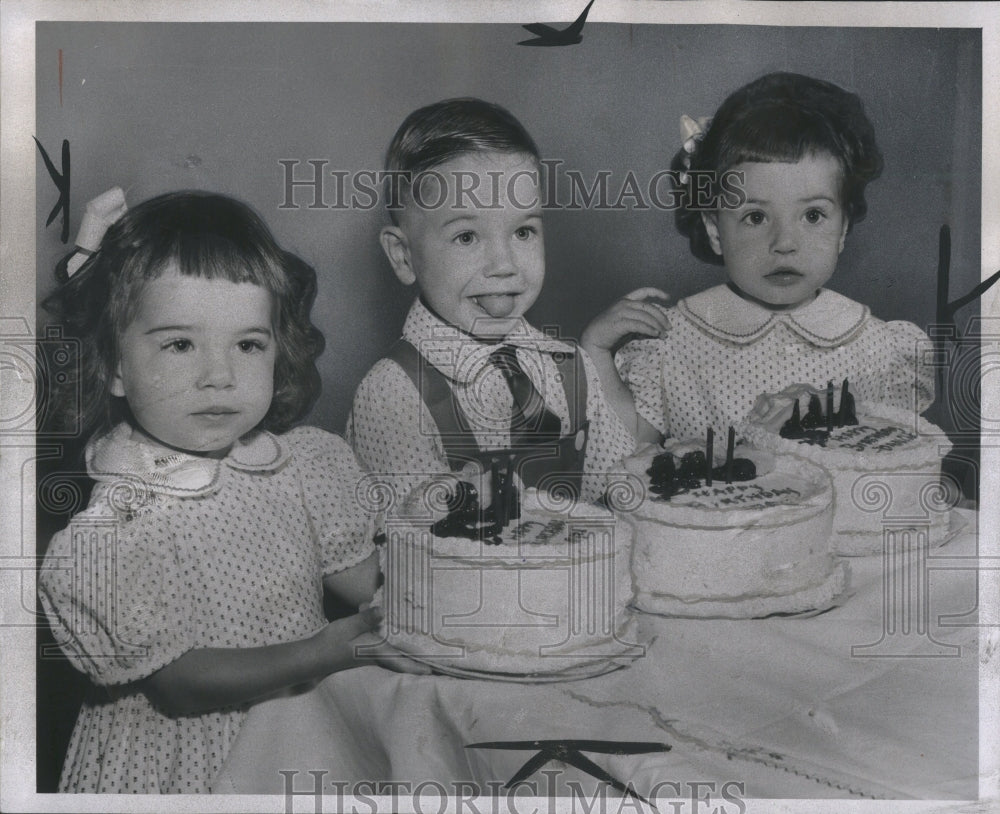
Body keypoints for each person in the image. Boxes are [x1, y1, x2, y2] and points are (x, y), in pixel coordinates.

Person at [37, 189, 422, 794]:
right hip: (186, 764)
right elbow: (181, 681)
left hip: (302, 734)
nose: (219, 375)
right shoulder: (118, 524)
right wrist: (330, 649)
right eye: (180, 344)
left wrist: (447, 561)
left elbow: (364, 582)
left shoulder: (300, 466)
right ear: (114, 366)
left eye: (248, 344)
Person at [347, 98, 661, 509]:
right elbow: (415, 547)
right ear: (403, 256)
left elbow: (616, 490)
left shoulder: (571, 366)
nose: (504, 265)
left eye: (523, 232)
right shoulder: (394, 394)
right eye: (466, 237)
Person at [588, 72, 934, 441]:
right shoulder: (673, 345)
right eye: (755, 217)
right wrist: (596, 351)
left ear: (843, 228)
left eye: (813, 215)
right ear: (715, 230)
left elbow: (898, 463)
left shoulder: (877, 347)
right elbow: (628, 453)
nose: (784, 243)